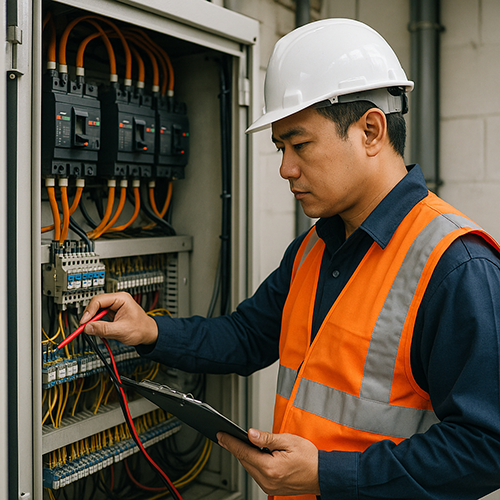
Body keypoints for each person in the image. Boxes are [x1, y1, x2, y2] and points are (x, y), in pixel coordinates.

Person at [80, 19, 500, 499]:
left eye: (300, 145)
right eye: (281, 147)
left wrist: (328, 474)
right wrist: (149, 330)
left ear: (370, 130)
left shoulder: (456, 265)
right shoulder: (314, 249)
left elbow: (486, 446)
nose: (285, 168)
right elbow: (247, 337)